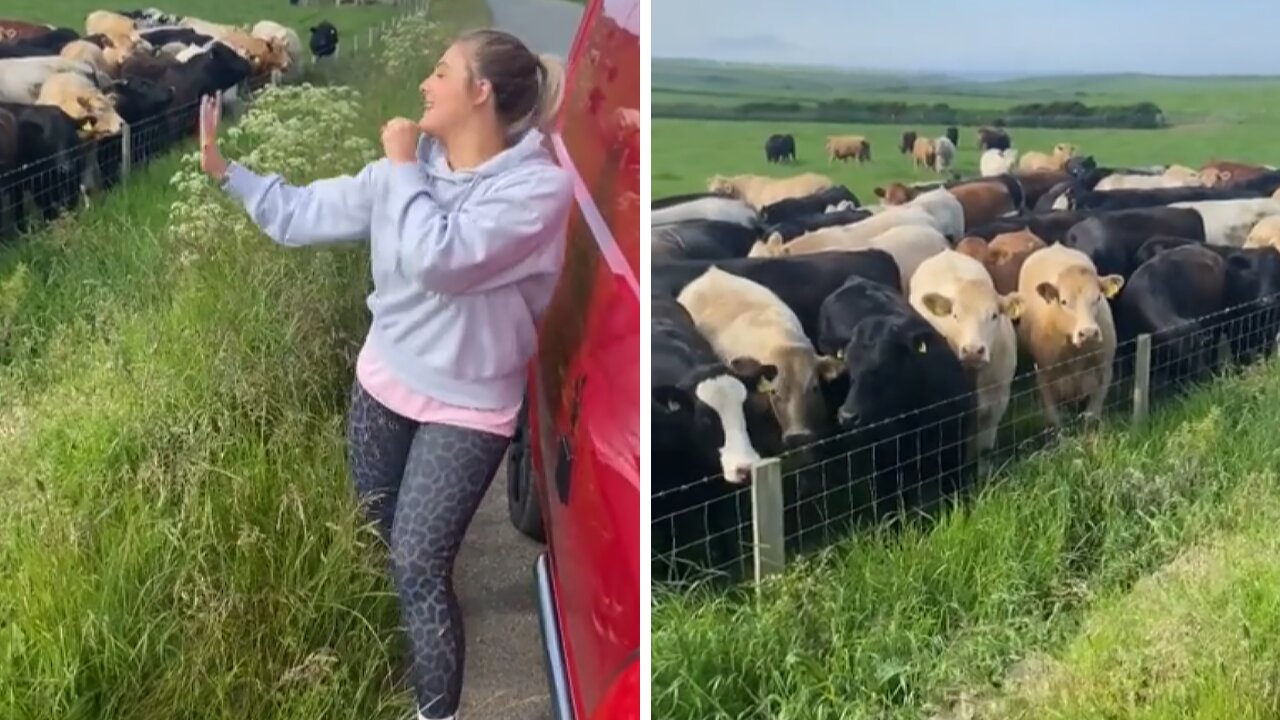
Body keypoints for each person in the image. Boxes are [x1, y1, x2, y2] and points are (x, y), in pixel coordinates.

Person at [197, 28, 573, 720]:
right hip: (384, 384)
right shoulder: (408, 170)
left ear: (479, 92)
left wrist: (401, 167)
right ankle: (378, 685)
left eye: (440, 72)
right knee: (375, 545)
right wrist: (228, 172)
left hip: (468, 406)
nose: (425, 86)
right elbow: (306, 213)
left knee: (420, 566)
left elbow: (444, 260)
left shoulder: (538, 192)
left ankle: (434, 712)